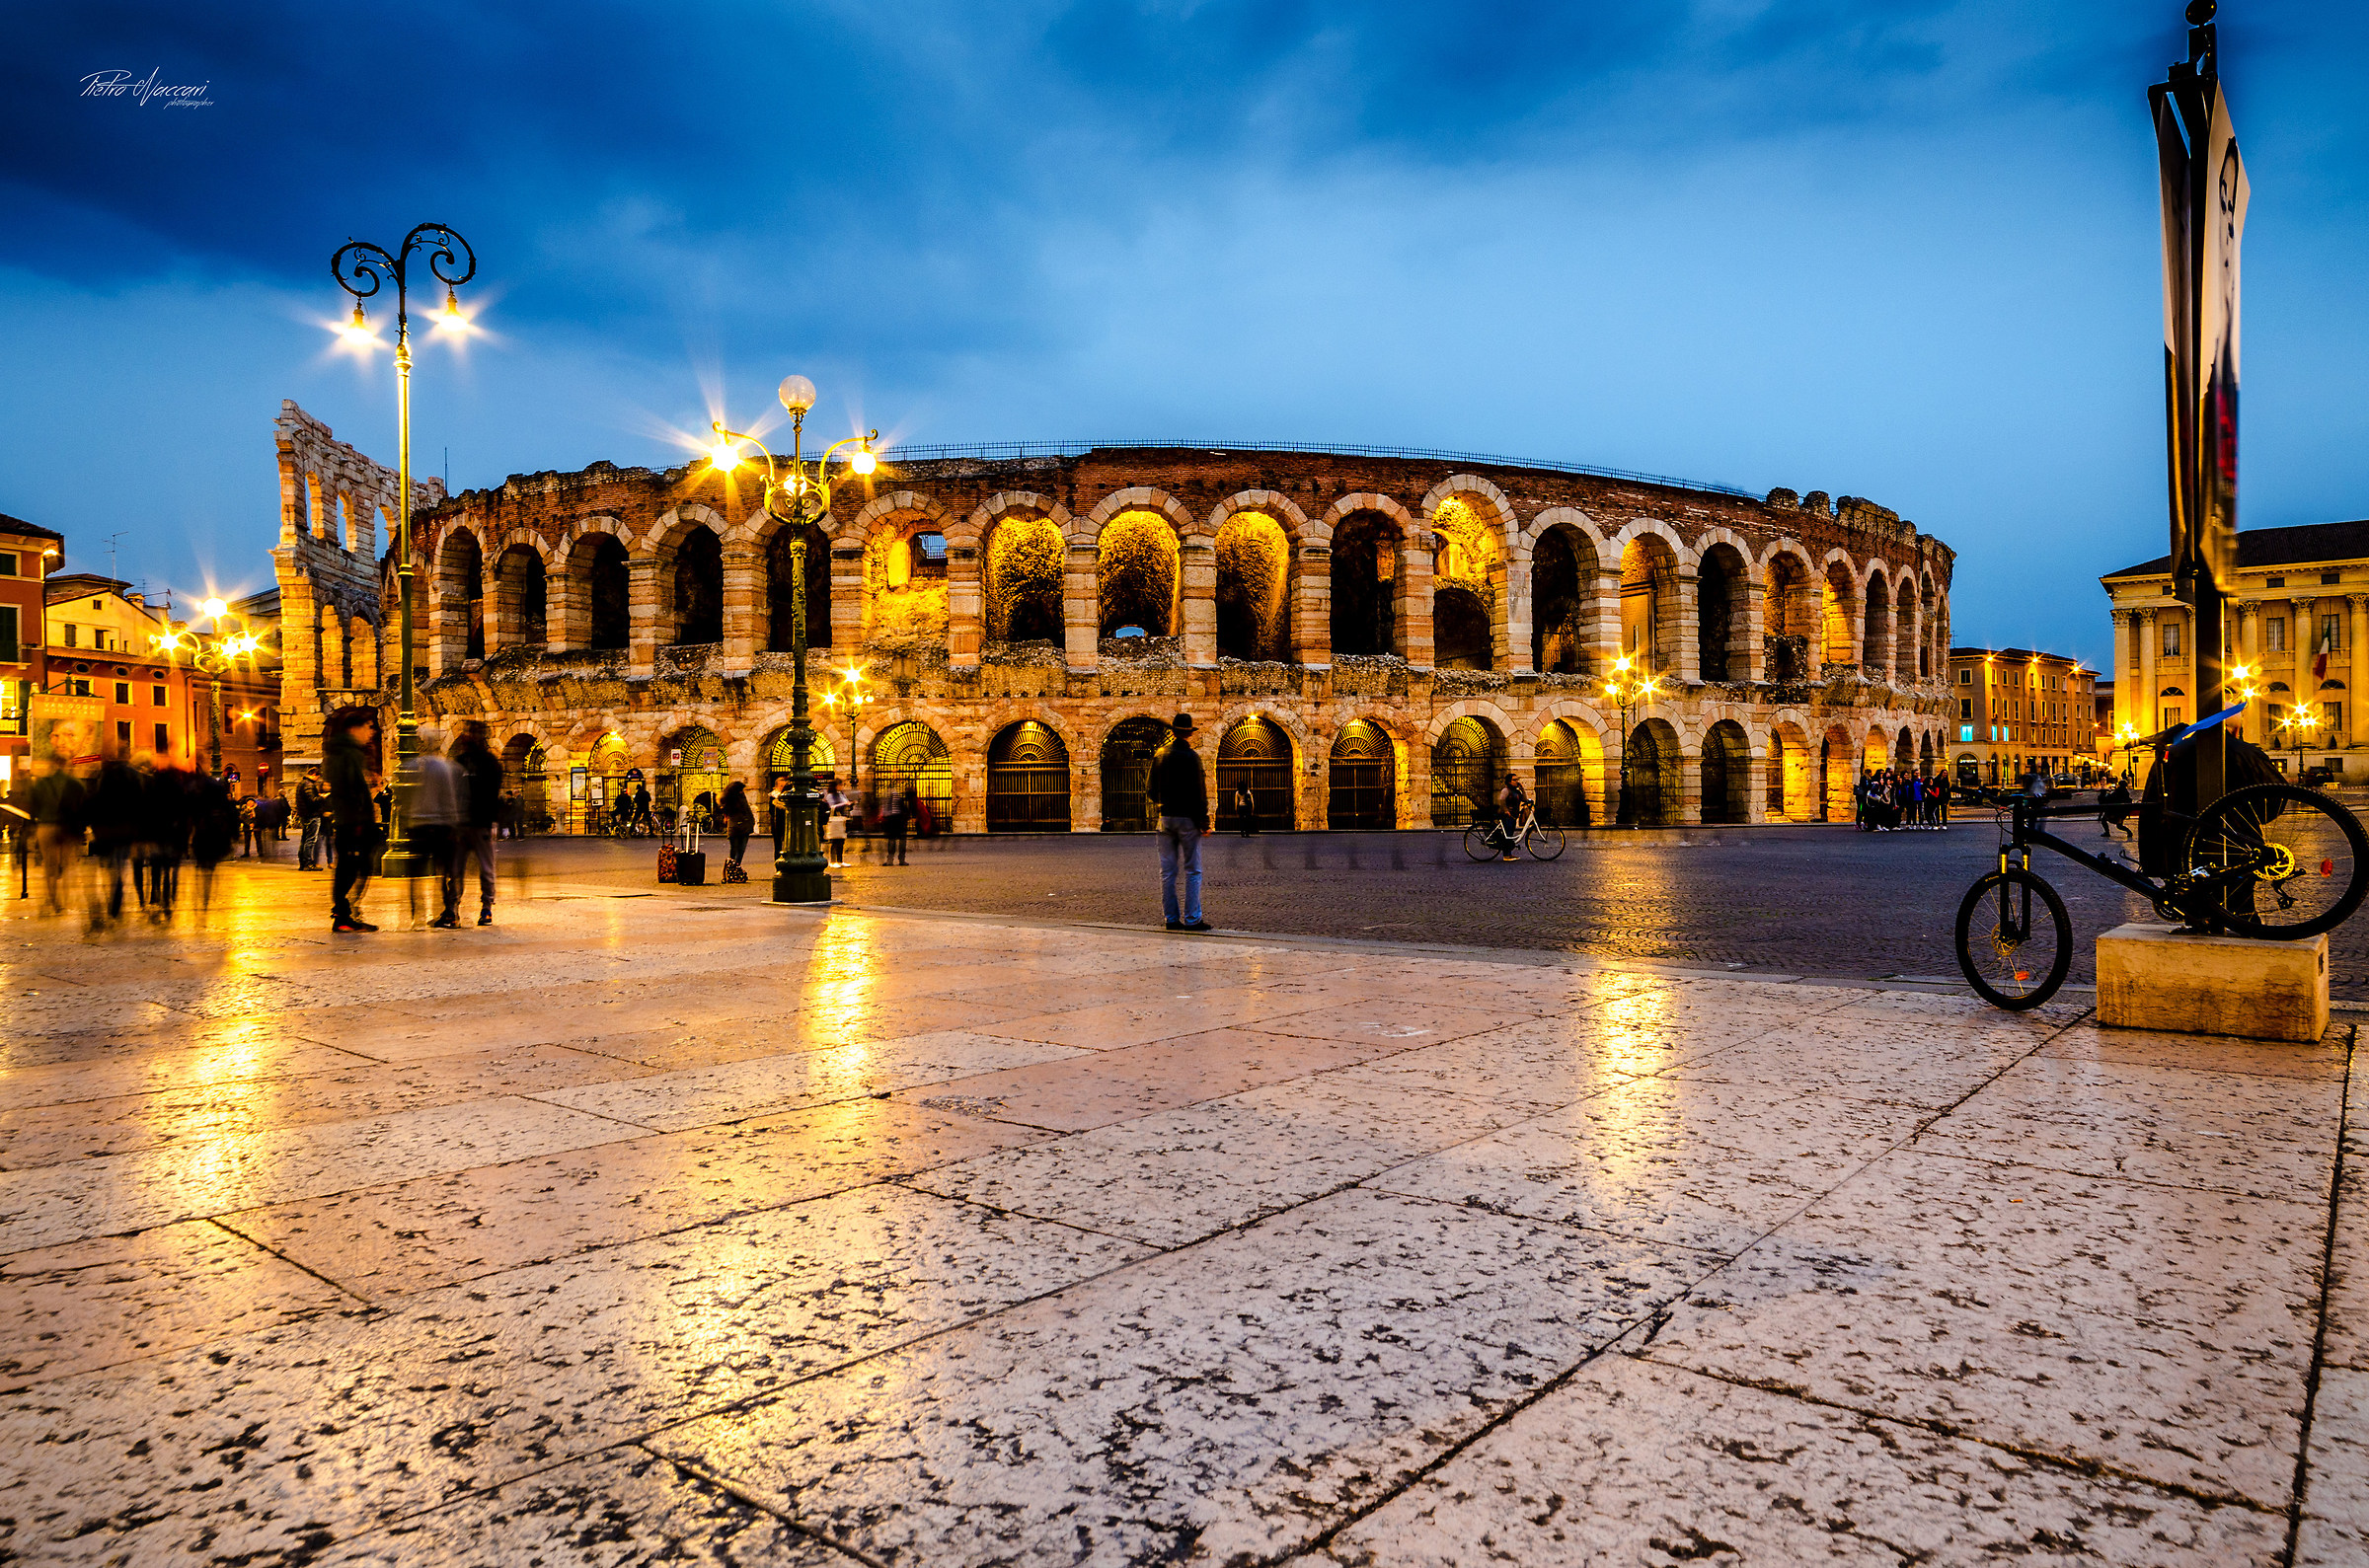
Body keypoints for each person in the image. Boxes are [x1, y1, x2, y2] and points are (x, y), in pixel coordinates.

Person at [1146, 711, 1210, 932]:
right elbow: (1200, 792)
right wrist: (1204, 821)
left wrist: (1163, 802)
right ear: (1189, 734)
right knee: (1193, 870)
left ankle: (1171, 918)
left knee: (1167, 871)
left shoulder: (1160, 755)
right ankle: (1192, 919)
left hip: (1165, 818)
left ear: (1173, 732)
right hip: (1188, 819)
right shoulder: (1193, 758)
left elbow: (1150, 789)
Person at [327, 713, 380, 933]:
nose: (371, 732)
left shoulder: (342, 752)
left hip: (348, 820)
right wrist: (360, 819)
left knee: (350, 867)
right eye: (368, 727)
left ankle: (344, 913)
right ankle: (345, 915)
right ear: (353, 729)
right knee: (355, 867)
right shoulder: (348, 754)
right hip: (353, 822)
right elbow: (352, 790)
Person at [451, 720, 503, 925]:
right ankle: (458, 909)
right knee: (461, 869)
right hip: (470, 823)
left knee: (476, 869)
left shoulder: (474, 763)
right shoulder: (485, 762)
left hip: (476, 822)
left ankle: (482, 908)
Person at [411, 729, 463, 928]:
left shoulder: (413, 767)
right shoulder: (444, 767)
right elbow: (449, 798)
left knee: (417, 872)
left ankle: (417, 913)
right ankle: (450, 912)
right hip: (441, 825)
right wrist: (453, 823)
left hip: (420, 826)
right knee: (447, 871)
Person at [28, 754, 85, 916]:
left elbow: (33, 807)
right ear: (66, 764)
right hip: (66, 827)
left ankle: (54, 901)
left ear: (52, 763)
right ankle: (64, 900)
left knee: (49, 865)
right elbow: (82, 807)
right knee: (65, 864)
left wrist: (33, 824)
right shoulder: (75, 783)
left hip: (45, 826)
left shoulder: (41, 783)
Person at [720, 779, 756, 873]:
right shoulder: (731, 800)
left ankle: (734, 869)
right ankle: (732, 869)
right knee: (737, 850)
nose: (742, 791)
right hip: (738, 827)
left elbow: (747, 810)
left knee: (738, 850)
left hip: (742, 826)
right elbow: (744, 811)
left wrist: (751, 821)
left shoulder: (739, 797)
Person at [1494, 772, 1530, 861]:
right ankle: (1506, 855)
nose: (1517, 781)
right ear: (1509, 781)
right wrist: (1506, 810)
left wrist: (1522, 789)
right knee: (1508, 835)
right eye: (1514, 780)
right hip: (1507, 816)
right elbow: (1502, 800)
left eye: (1517, 779)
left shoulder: (1516, 791)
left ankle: (1509, 854)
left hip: (1513, 816)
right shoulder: (1506, 790)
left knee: (1510, 835)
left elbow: (1524, 799)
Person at [296, 770, 327, 868]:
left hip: (304, 815)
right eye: (317, 777)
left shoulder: (301, 783)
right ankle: (308, 863)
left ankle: (303, 862)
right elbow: (312, 800)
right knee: (310, 840)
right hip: (312, 815)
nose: (317, 779)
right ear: (314, 775)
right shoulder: (309, 785)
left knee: (304, 839)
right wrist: (322, 797)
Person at [880, 781, 910, 865]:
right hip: (899, 820)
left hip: (892, 820)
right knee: (901, 840)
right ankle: (901, 859)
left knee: (892, 840)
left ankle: (890, 860)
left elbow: (886, 810)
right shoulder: (899, 796)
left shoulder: (889, 796)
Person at [823, 784, 849, 865]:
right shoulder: (830, 796)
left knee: (841, 841)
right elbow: (832, 807)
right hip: (835, 819)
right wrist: (843, 804)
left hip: (841, 818)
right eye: (840, 785)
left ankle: (840, 860)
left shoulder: (841, 794)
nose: (841, 787)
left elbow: (845, 801)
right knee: (835, 841)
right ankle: (833, 861)